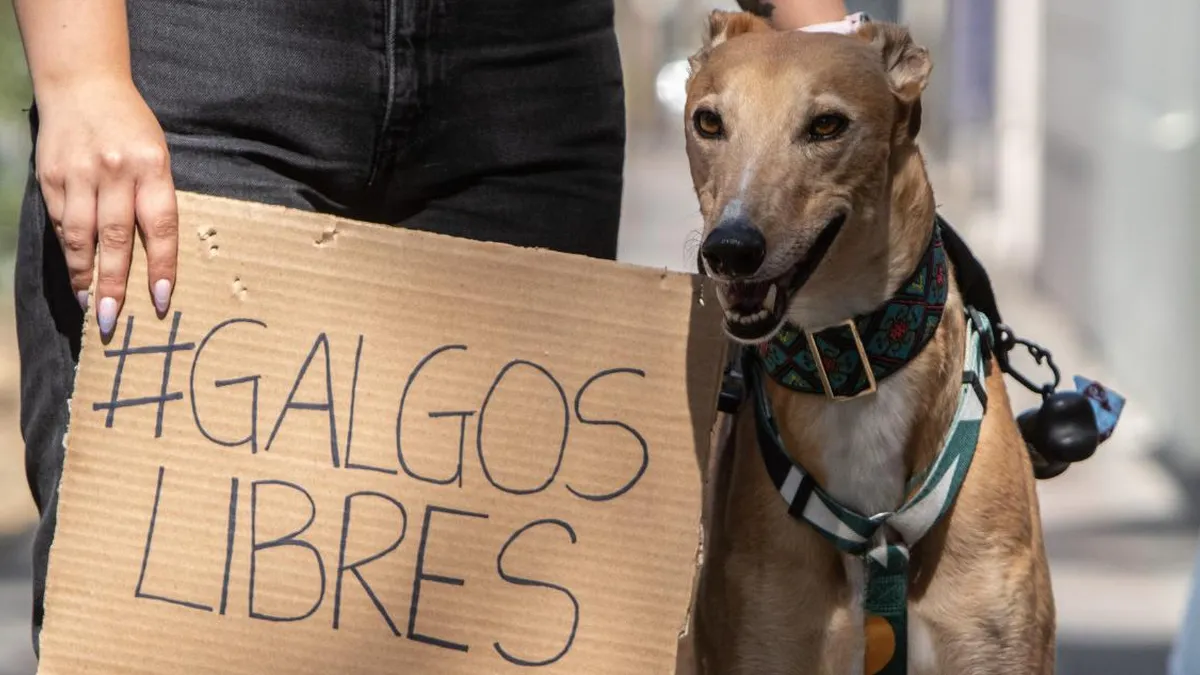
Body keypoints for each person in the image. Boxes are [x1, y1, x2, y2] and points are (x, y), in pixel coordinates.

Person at [11, 0, 851, 657]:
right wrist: (79, 73)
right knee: (171, 626)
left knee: (502, 626)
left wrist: (827, 47)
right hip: (207, 61)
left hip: (524, 86)